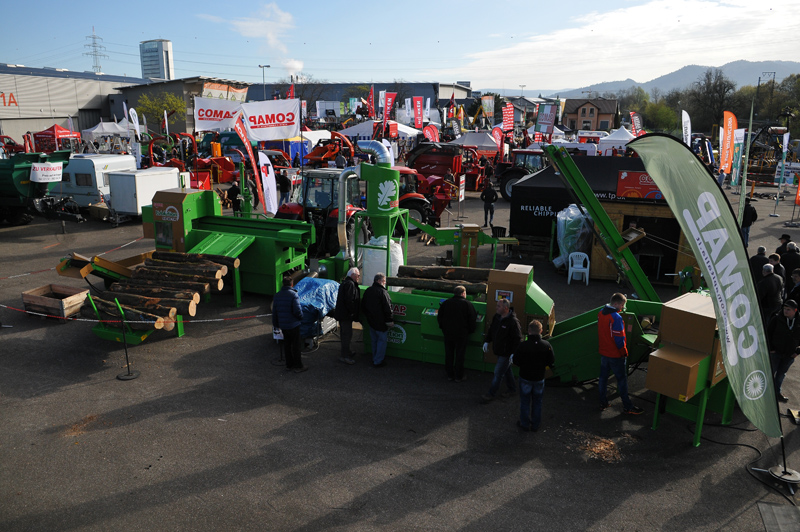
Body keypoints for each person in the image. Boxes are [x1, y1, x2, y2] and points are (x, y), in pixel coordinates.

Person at [598, 293, 644, 414]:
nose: (623, 308)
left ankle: (603, 402)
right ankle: (628, 406)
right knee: (622, 381)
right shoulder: (617, 318)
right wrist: (624, 352)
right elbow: (619, 339)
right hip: (615, 355)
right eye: (622, 305)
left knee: (603, 379)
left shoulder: (601, 313)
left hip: (604, 352)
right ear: (616, 304)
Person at [512, 320, 555, 432]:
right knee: (537, 402)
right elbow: (551, 361)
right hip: (539, 378)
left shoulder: (523, 346)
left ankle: (524, 423)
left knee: (525, 402)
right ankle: (535, 424)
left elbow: (516, 361)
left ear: (529, 331)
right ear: (541, 331)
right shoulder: (546, 345)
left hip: (525, 377)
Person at [480, 298, 523, 403]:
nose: (496, 308)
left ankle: (491, 394)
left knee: (498, 373)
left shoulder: (513, 322)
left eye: (498, 306)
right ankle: (512, 389)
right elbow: (492, 330)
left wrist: (513, 353)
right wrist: (487, 341)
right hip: (499, 350)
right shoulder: (497, 317)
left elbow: (517, 339)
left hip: (506, 352)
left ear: (506, 308)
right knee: (506, 370)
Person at [437, 285, 478, 382]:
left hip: (448, 333)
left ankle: (449, 374)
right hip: (461, 334)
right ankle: (459, 376)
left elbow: (440, 317)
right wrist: (470, 331)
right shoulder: (467, 304)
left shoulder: (446, 303)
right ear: (463, 293)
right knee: (460, 354)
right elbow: (472, 319)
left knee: (449, 353)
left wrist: (443, 328)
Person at [767, 299, 800, 403]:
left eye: (788, 309)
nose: (785, 311)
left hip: (789, 355)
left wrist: (797, 352)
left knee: (781, 374)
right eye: (784, 309)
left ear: (795, 310)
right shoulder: (777, 319)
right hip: (776, 352)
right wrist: (771, 349)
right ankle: (765, 393)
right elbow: (768, 334)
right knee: (770, 373)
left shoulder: (798, 322)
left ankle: (777, 393)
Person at [272, 276, 307, 373]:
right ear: (292, 284)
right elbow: (297, 310)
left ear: (283, 284)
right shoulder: (293, 294)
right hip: (293, 325)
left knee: (287, 345)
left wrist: (276, 324)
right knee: (296, 346)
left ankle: (289, 365)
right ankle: (298, 366)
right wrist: (301, 317)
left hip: (283, 325)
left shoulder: (277, 295)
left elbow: (274, 312)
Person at [362, 273, 393, 367]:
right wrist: (390, 320)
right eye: (384, 281)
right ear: (379, 281)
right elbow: (388, 308)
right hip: (381, 322)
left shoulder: (368, 290)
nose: (385, 283)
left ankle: (374, 357)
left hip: (371, 321)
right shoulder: (383, 292)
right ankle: (378, 361)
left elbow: (363, 305)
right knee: (381, 342)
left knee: (374, 340)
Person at [335, 267, 361, 365]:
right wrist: (353, 312)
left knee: (345, 334)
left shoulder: (345, 283)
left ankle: (347, 352)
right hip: (346, 315)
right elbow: (350, 300)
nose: (359, 277)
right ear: (353, 275)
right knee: (347, 335)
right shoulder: (350, 284)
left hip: (342, 314)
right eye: (358, 275)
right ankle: (345, 356)